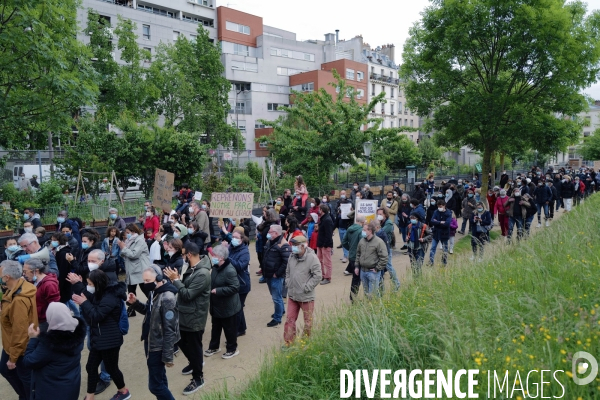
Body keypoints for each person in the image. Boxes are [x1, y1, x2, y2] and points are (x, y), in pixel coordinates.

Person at [69, 269, 131, 400]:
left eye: (90, 284)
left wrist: (83, 302)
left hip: (109, 340)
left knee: (112, 368)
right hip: (100, 338)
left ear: (97, 283)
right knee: (91, 367)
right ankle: (90, 396)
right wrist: (78, 285)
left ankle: (123, 391)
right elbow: (92, 298)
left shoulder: (110, 297)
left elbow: (96, 315)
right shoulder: (102, 292)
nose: (88, 286)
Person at [163, 242, 211, 395]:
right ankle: (194, 363)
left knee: (194, 347)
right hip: (185, 313)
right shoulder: (193, 268)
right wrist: (176, 279)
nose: (182, 257)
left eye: (183, 254)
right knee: (180, 341)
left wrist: (175, 280)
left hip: (194, 317)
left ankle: (198, 377)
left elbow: (188, 294)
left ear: (189, 255)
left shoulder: (202, 273)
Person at [127, 265, 179, 400]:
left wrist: (168, 355)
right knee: (160, 378)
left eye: (148, 281)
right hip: (150, 341)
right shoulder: (154, 291)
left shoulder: (167, 298)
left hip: (158, 346)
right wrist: (135, 303)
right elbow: (149, 312)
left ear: (159, 278)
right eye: (144, 281)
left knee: (155, 386)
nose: (145, 284)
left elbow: (170, 329)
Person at [23, 302, 86, 400]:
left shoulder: (49, 344)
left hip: (51, 392)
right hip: (71, 387)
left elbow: (29, 361)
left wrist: (34, 338)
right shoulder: (77, 333)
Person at [0, 260, 37, 400]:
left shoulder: (18, 300)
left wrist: (13, 358)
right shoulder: (17, 288)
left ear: (7, 277)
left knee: (24, 376)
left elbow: (20, 330)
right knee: (5, 370)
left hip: (18, 347)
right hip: (12, 343)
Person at [283, 235, 322, 346]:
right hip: (292, 295)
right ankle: (288, 342)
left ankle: (305, 342)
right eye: (292, 245)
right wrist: (288, 283)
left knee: (308, 322)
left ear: (303, 246)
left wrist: (307, 287)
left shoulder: (312, 258)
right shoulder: (292, 256)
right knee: (289, 320)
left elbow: (318, 276)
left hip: (306, 297)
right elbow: (288, 271)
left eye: (295, 245)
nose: (293, 247)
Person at [204, 245, 241, 360]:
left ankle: (232, 349)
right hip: (216, 305)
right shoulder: (215, 267)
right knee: (215, 327)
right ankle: (214, 347)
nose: (212, 257)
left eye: (214, 255)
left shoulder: (229, 270)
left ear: (221, 257)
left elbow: (235, 287)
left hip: (228, 306)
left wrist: (218, 291)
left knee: (229, 329)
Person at [119, 224, 151, 317]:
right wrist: (123, 247)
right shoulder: (129, 241)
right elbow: (124, 254)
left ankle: (156, 304)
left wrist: (123, 248)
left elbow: (134, 254)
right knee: (131, 291)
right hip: (131, 270)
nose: (126, 235)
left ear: (134, 232)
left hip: (139, 269)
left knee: (145, 289)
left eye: (128, 233)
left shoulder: (140, 240)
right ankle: (131, 309)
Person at [262, 224, 291, 327]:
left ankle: (277, 318)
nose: (268, 233)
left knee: (277, 297)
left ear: (276, 233)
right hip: (269, 274)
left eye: (270, 232)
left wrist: (277, 273)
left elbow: (286, 262)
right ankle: (281, 311)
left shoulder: (284, 245)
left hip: (276, 276)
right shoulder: (270, 242)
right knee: (274, 295)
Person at [22, 259, 59, 332]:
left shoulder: (49, 285)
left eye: (25, 271)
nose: (23, 274)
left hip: (45, 322)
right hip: (37, 319)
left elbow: (54, 306)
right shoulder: (34, 281)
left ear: (36, 271)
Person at [355, 222, 387, 299]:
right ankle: (369, 308)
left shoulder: (379, 242)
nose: (362, 231)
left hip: (373, 272)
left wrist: (377, 268)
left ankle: (376, 308)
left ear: (370, 231)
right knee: (366, 293)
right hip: (363, 271)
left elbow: (384, 257)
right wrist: (356, 266)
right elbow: (358, 254)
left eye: (364, 230)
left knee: (373, 294)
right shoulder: (361, 241)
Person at [227, 230, 251, 337]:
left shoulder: (245, 252)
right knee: (238, 307)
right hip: (233, 282)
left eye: (236, 237)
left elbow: (240, 266)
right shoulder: (230, 248)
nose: (233, 239)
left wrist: (227, 257)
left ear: (241, 240)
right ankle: (242, 328)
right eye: (233, 236)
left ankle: (235, 330)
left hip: (242, 284)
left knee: (237, 309)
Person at [342, 213, 365, 303]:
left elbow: (344, 242)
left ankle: (353, 297)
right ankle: (354, 298)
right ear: (362, 222)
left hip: (351, 256)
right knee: (359, 279)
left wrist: (350, 249)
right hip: (358, 257)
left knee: (355, 278)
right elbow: (362, 244)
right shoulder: (361, 231)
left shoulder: (349, 229)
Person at [376, 208, 400, 291]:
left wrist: (377, 224)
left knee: (389, 266)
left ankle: (396, 283)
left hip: (386, 248)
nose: (379, 216)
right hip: (380, 248)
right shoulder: (382, 222)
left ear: (385, 215)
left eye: (380, 214)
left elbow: (379, 232)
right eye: (377, 214)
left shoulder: (389, 223)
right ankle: (380, 287)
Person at [428, 200, 452, 266]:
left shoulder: (448, 213)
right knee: (433, 248)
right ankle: (431, 261)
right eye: (438, 206)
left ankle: (444, 262)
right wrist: (440, 222)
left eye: (440, 206)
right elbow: (432, 221)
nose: (439, 208)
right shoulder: (436, 212)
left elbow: (447, 224)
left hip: (444, 233)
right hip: (436, 233)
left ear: (444, 206)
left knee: (445, 249)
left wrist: (437, 222)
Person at [316, 204, 334, 285]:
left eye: (319, 209)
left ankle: (328, 277)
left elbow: (329, 234)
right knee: (319, 261)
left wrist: (325, 244)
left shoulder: (327, 220)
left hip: (325, 244)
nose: (318, 210)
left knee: (327, 262)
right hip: (320, 243)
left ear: (321, 210)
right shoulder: (323, 219)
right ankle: (322, 275)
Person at [335, 190, 353, 261]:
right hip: (340, 225)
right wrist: (339, 209)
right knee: (343, 241)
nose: (342, 194)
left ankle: (346, 256)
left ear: (346, 194)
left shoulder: (350, 202)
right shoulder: (338, 202)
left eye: (344, 193)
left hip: (347, 225)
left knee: (346, 241)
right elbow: (335, 210)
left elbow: (352, 212)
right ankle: (345, 255)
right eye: (341, 193)